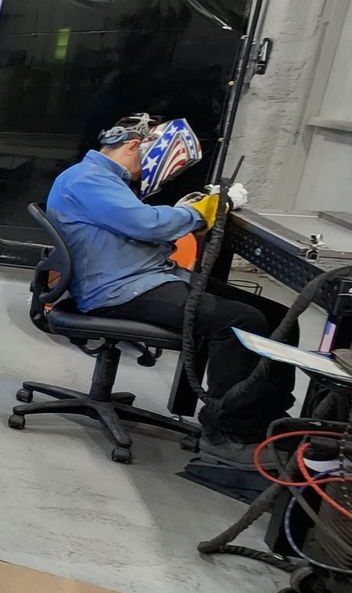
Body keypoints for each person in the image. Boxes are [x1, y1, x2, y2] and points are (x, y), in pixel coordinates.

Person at [45, 114, 289, 463]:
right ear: (133, 146)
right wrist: (201, 211)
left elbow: (135, 223)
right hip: (119, 290)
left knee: (277, 315)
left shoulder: (102, 179)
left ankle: (272, 419)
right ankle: (226, 433)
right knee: (238, 322)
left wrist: (191, 209)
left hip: (142, 276)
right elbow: (146, 224)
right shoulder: (87, 179)